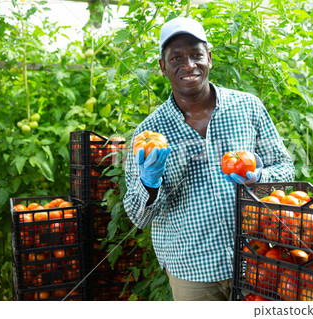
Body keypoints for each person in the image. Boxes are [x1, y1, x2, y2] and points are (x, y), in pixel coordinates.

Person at [123, 17, 295, 301]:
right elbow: (137, 216)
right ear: (162, 67)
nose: (188, 65)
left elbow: (286, 170)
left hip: (257, 257)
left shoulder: (247, 107)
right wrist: (148, 183)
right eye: (176, 57)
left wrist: (259, 179)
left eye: (196, 54)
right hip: (192, 270)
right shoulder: (149, 133)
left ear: (209, 58)